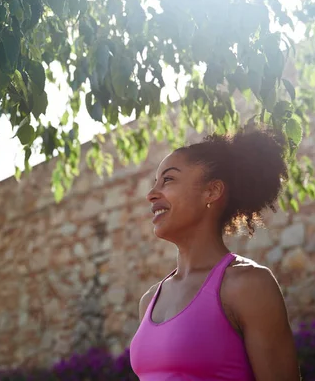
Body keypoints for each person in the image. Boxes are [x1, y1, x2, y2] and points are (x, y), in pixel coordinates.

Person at [129, 129, 301, 380]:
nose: (151, 194)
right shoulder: (150, 300)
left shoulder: (248, 286)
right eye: (154, 182)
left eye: (168, 180)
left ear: (212, 191)